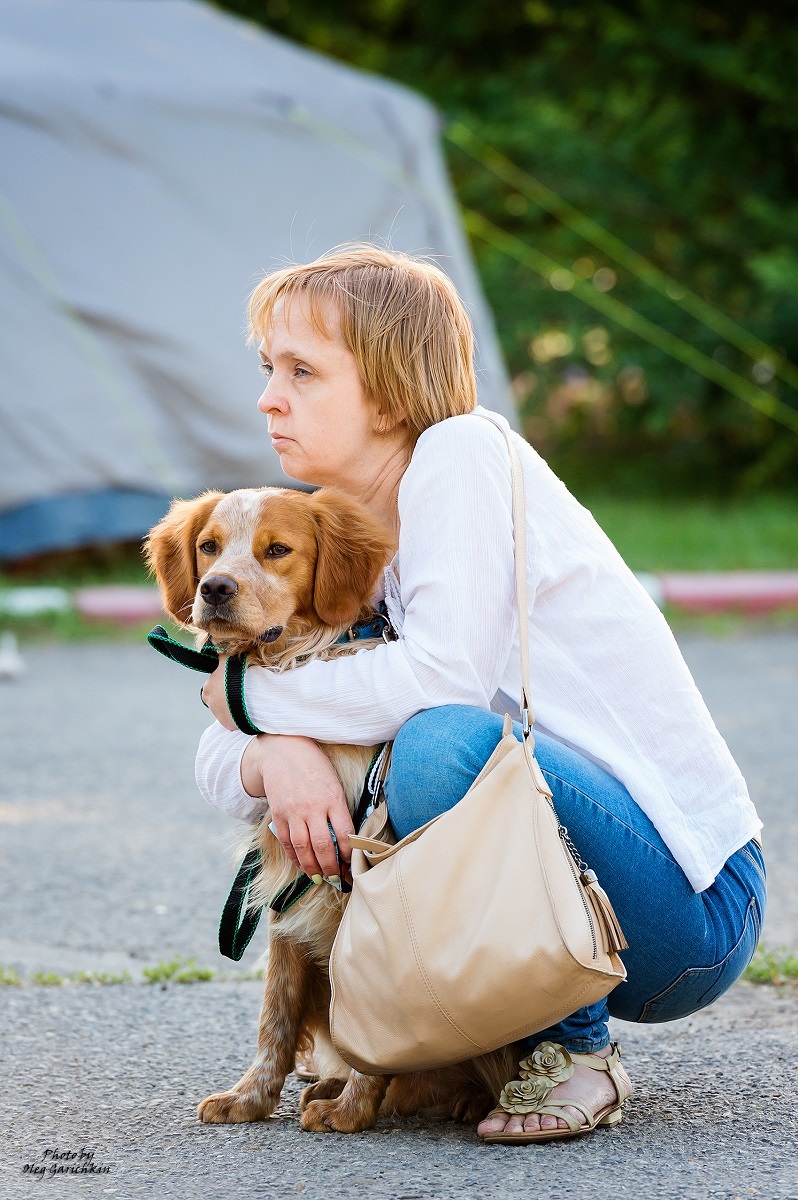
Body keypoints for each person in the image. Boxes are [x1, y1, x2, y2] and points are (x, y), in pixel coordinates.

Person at [197, 243, 765, 1144]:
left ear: (387, 394)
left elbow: (438, 683)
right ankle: (473, 1049)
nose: (270, 396)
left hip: (688, 904)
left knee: (441, 745)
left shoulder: (462, 457)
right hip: (574, 907)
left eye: (303, 371)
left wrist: (252, 708)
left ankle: (573, 1056)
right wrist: (273, 749)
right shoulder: (341, 529)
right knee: (415, 742)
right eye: (269, 369)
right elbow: (220, 747)